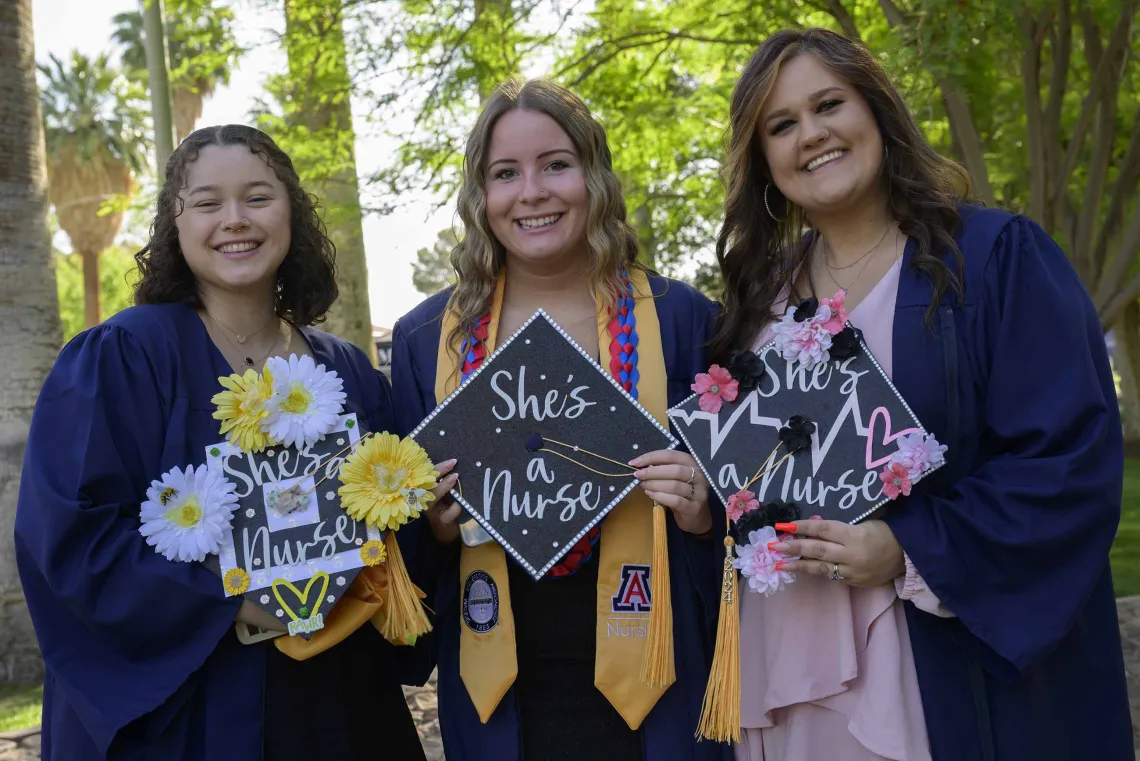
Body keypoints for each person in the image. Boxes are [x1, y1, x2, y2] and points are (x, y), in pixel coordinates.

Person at [708, 27, 1132, 761]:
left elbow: (1069, 459)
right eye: (781, 125)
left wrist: (909, 549)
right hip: (786, 674)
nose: (811, 135)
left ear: (874, 109)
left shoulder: (992, 262)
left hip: (934, 671)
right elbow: (748, 482)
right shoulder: (754, 310)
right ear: (764, 160)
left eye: (828, 104)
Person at [14, 124, 431, 761]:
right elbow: (69, 539)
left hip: (338, 700)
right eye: (207, 203)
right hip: (196, 709)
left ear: (292, 211)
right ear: (174, 225)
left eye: (258, 198)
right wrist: (231, 603)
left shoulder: (348, 373)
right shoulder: (124, 358)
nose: (234, 220)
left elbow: (395, 533)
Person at [389, 78, 729, 761]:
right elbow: (402, 548)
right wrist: (430, 524)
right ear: (480, 196)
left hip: (660, 676)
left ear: (594, 177)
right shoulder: (429, 338)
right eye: (505, 173)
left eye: (556, 164)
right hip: (502, 687)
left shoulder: (683, 319)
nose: (532, 191)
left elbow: (744, 512)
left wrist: (703, 512)